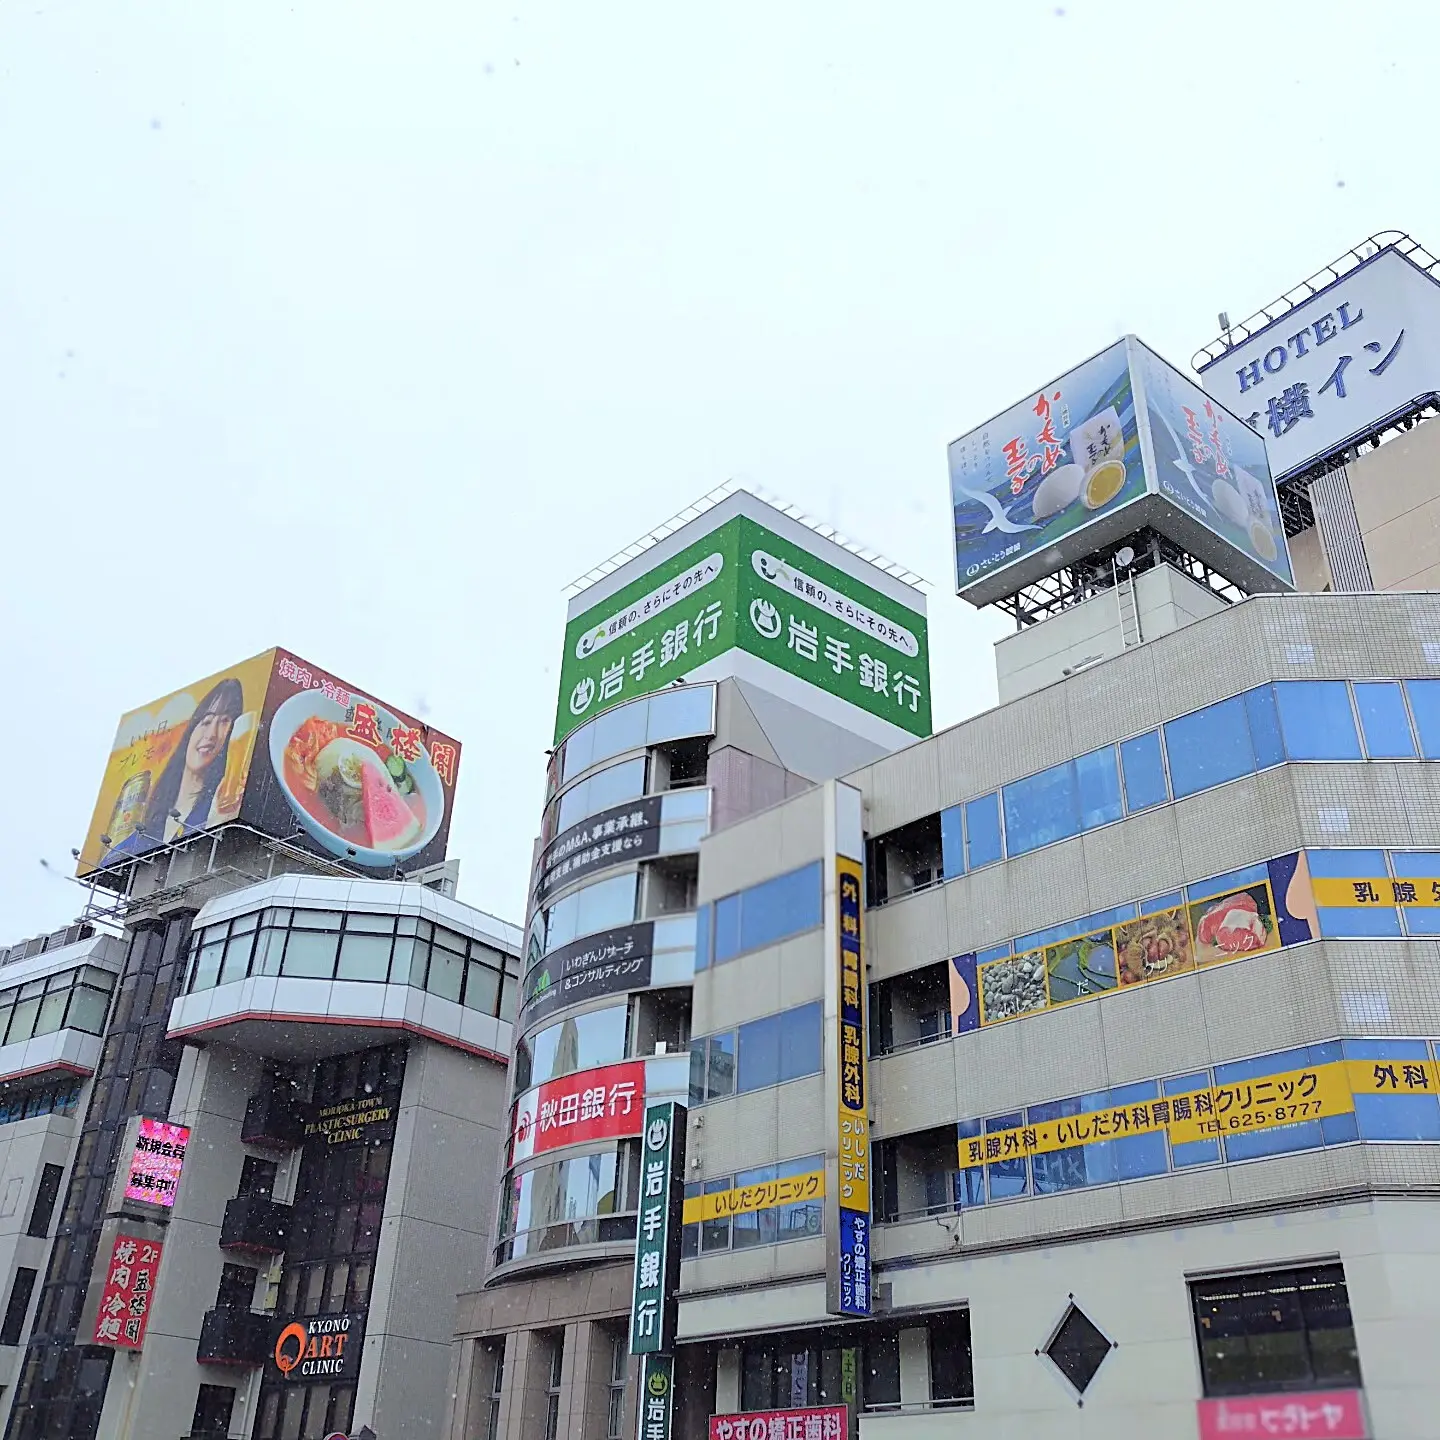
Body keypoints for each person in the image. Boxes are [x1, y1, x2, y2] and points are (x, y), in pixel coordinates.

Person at [102, 678, 245, 862]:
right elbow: (108, 862)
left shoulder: (220, 809)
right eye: (207, 721)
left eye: (224, 722)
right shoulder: (145, 832)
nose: (211, 734)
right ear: (191, 731)